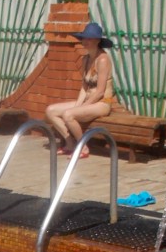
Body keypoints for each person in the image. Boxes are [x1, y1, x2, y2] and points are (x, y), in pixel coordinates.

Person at [45, 22, 116, 158]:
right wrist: (78, 105)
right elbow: (84, 87)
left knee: (68, 115)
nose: (85, 41)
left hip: (102, 103)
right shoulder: (85, 59)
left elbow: (100, 91)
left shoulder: (103, 60)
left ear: (97, 41)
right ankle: (70, 143)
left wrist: (82, 107)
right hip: (89, 101)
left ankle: (83, 147)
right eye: (84, 38)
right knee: (51, 111)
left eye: (89, 38)